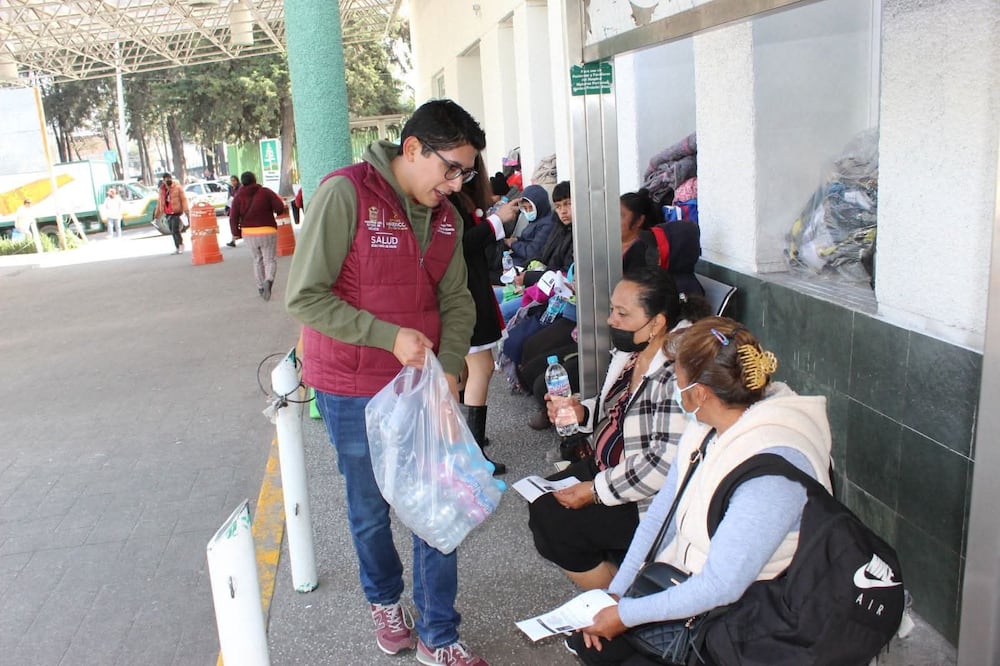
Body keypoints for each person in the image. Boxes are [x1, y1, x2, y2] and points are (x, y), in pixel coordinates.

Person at [285, 99, 489, 666]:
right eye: (450, 168)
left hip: (421, 385)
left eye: (465, 174)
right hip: (350, 386)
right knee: (371, 507)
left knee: (437, 504)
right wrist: (386, 335)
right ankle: (384, 600)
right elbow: (303, 296)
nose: (456, 183)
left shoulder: (446, 217)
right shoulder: (345, 193)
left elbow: (456, 300)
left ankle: (439, 634)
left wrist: (449, 366)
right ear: (414, 149)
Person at [567, 316, 833, 664]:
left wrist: (627, 616)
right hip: (690, 584)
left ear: (700, 392)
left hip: (749, 617)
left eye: (675, 379)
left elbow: (722, 586)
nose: (672, 389)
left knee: (607, 651)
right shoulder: (706, 426)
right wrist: (617, 596)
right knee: (590, 642)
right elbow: (659, 515)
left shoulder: (773, 471)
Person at [528, 267, 706, 591]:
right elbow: (616, 408)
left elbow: (664, 464)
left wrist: (595, 491)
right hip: (607, 467)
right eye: (612, 309)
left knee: (553, 520)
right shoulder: (633, 352)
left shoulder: (675, 374)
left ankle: (619, 603)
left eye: (622, 313)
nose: (612, 320)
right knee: (541, 501)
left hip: (643, 497)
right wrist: (580, 411)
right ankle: (617, 588)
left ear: (657, 322)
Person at [449, 153, 520, 477]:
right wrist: (496, 220)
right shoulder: (450, 198)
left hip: (464, 290)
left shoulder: (448, 194)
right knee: (482, 366)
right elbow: (461, 244)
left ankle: (467, 442)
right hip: (465, 292)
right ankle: (473, 454)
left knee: (466, 367)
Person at [230, 171, 286, 301]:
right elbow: (279, 206)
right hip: (267, 230)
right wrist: (276, 211)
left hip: (249, 233)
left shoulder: (238, 196)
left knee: (257, 259)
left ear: (242, 182)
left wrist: (236, 233)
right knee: (269, 259)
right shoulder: (265, 192)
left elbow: (233, 217)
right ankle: (269, 280)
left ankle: (261, 287)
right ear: (255, 180)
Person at [619, 189, 660, 272]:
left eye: (621, 216)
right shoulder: (609, 244)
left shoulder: (643, 252)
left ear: (639, 221)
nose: (614, 220)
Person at [154, 172, 189, 254]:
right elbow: (160, 203)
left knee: (175, 230)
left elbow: (184, 199)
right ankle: (177, 247)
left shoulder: (177, 188)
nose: (168, 181)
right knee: (172, 231)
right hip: (168, 213)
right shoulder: (162, 190)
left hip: (176, 212)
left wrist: (186, 210)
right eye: (166, 179)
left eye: (169, 179)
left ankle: (180, 245)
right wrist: (157, 215)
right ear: (163, 180)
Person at [225, 175, 241, 245]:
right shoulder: (231, 189)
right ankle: (233, 240)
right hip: (232, 208)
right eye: (231, 181)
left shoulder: (240, 188)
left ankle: (236, 237)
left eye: (234, 180)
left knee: (236, 223)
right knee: (233, 223)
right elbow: (230, 199)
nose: (233, 182)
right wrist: (226, 208)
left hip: (238, 208)